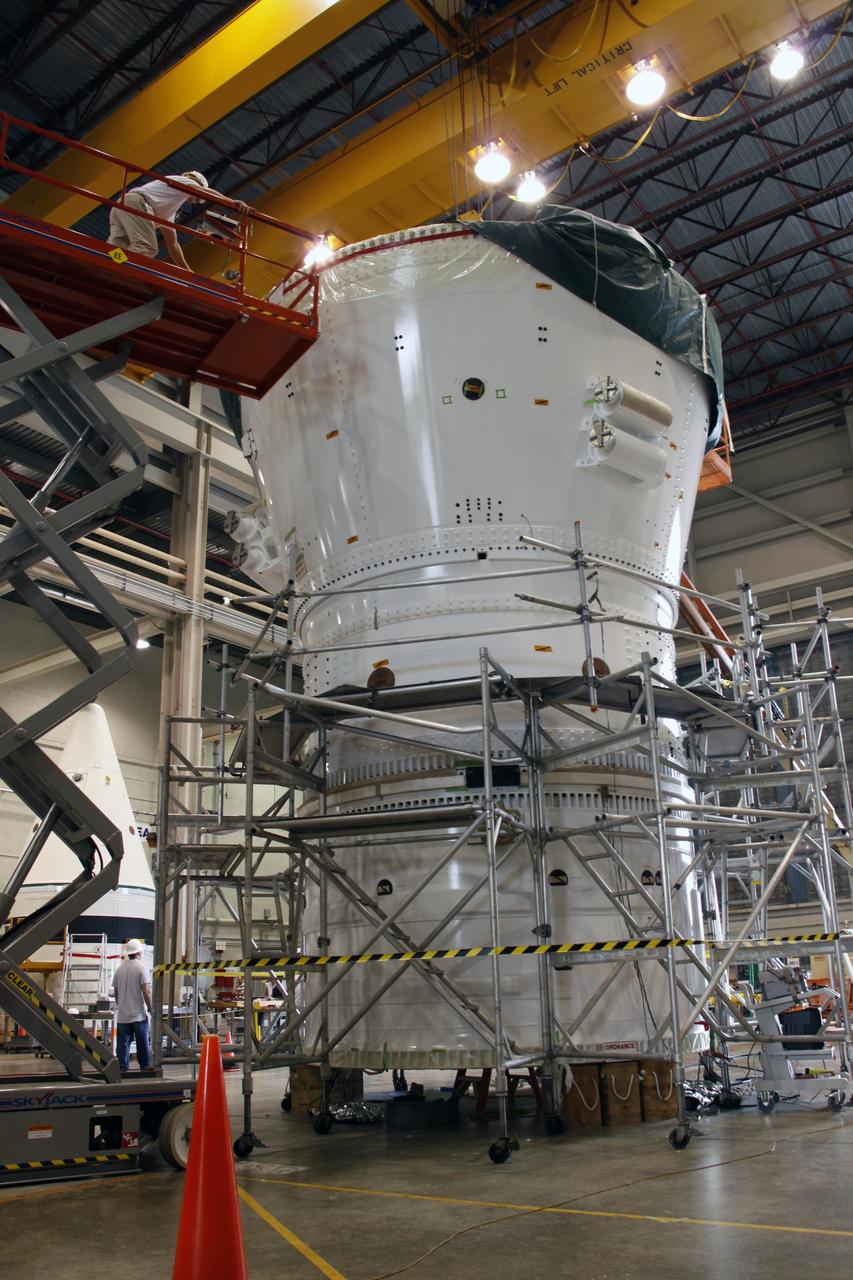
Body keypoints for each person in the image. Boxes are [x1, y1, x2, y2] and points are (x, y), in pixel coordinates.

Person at [107, 170, 231, 270]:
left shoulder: (169, 205)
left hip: (123, 204)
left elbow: (173, 244)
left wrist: (187, 272)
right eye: (197, 198)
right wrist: (231, 202)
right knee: (147, 246)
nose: (195, 200)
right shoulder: (182, 181)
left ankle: (108, 262)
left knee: (119, 245)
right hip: (137, 203)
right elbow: (203, 191)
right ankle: (117, 267)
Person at [111, 938, 152, 1072]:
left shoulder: (119, 969)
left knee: (123, 1045)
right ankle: (145, 1067)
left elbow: (116, 993)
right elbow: (145, 991)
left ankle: (122, 1069)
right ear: (139, 953)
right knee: (142, 1043)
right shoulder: (142, 968)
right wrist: (151, 1009)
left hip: (123, 1015)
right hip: (138, 1015)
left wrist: (122, 1005)